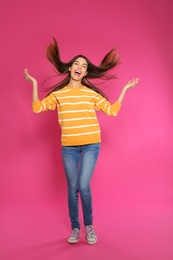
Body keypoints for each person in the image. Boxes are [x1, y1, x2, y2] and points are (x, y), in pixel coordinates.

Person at [24, 37, 139, 245]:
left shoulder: (90, 94)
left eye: (84, 66)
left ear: (86, 73)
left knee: (83, 186)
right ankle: (75, 228)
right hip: (68, 146)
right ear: (69, 68)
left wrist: (124, 91)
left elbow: (111, 111)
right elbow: (37, 108)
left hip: (91, 145)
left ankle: (89, 226)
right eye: (76, 63)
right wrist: (33, 83)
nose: (80, 67)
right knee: (71, 188)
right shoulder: (59, 94)